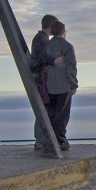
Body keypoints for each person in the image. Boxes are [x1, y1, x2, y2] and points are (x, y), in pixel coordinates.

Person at [30, 14, 65, 150]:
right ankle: (40, 140)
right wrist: (54, 61)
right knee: (43, 110)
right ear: (51, 26)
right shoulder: (40, 39)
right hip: (41, 80)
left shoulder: (41, 39)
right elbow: (41, 57)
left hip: (42, 79)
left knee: (45, 109)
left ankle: (42, 139)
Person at [42, 20, 78, 151]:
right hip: (64, 86)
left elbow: (43, 61)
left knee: (52, 113)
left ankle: (51, 140)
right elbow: (71, 67)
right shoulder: (67, 46)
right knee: (62, 115)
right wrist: (73, 84)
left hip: (50, 85)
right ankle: (61, 141)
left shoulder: (47, 45)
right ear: (63, 32)